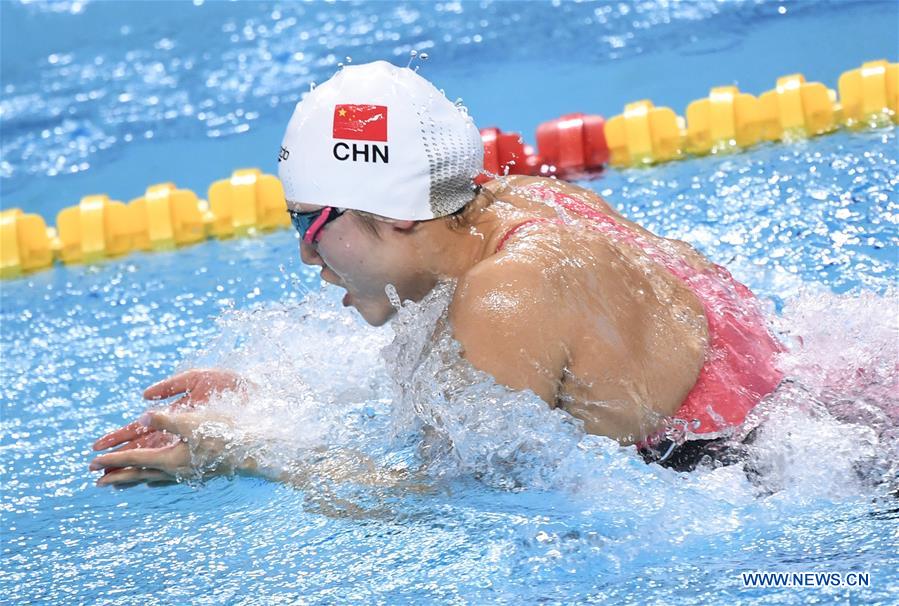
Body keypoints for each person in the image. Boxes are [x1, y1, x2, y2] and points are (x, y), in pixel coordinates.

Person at [90, 61, 783, 486]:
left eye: (309, 224)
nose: (305, 254)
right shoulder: (519, 208)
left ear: (394, 215)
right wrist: (269, 404)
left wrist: (244, 453)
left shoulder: (504, 295)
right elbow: (463, 390)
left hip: (768, 484)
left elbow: (450, 504)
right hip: (801, 415)